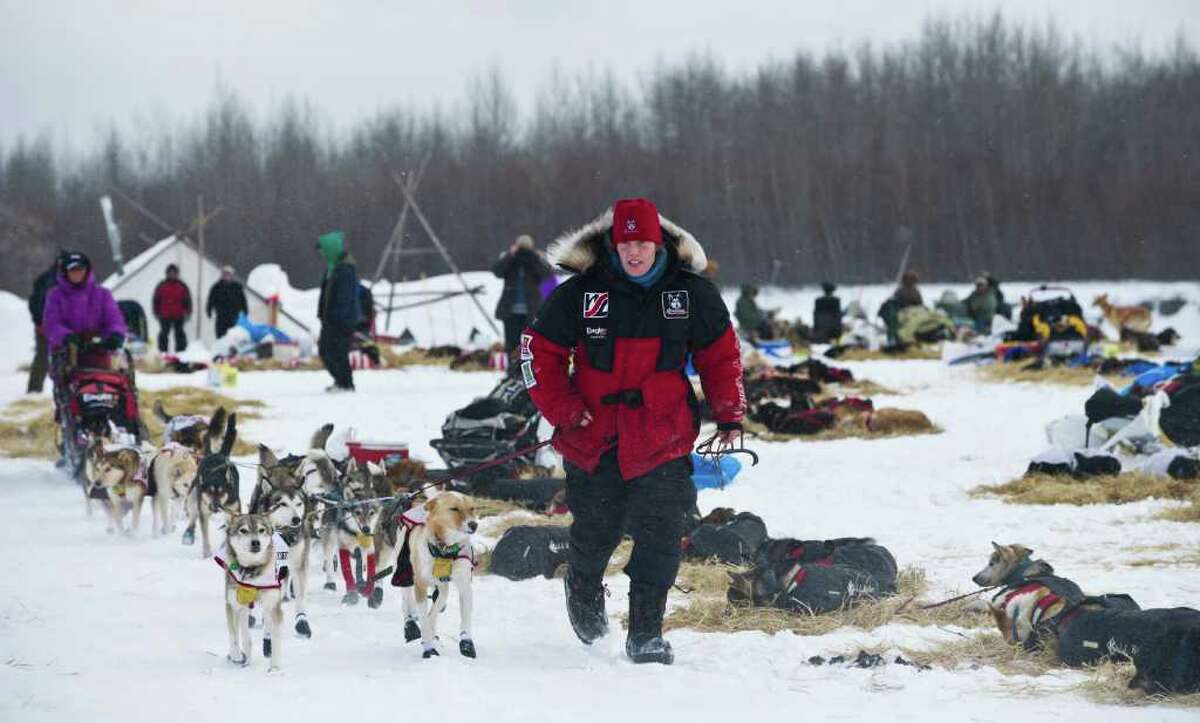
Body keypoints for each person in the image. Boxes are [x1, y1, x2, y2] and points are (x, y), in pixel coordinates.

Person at [523, 197, 746, 665]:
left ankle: (646, 632)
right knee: (597, 532)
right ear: (613, 243)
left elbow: (720, 356)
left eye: (643, 242)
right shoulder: (581, 294)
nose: (635, 252)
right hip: (594, 436)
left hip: (662, 437)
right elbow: (538, 354)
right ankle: (582, 584)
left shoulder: (692, 294)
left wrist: (729, 413)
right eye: (626, 243)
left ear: (659, 241)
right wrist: (564, 409)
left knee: (662, 535)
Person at [41, 251, 127, 422]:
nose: (77, 274)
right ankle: (71, 425)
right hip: (68, 352)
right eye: (72, 270)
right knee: (70, 391)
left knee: (111, 385)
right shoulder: (56, 295)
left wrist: (115, 335)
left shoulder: (102, 294)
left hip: (98, 350)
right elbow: (51, 323)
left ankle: (119, 422)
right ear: (65, 272)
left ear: (87, 271)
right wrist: (66, 337)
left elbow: (114, 319)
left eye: (80, 269)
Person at [316, 231, 362, 392]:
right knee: (326, 351)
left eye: (323, 250)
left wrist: (338, 318)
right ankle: (340, 381)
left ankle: (346, 384)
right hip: (330, 319)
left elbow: (345, 297)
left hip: (341, 320)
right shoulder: (332, 268)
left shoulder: (345, 269)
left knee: (337, 352)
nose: (321, 254)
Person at [492, 234, 552, 355]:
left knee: (529, 345)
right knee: (511, 344)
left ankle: (525, 372)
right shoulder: (511, 262)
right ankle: (513, 372)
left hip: (531, 311)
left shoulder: (534, 262)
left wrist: (535, 257)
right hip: (510, 311)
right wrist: (510, 255)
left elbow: (546, 274)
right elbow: (497, 271)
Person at [26, 261, 57, 393]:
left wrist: (38, 322)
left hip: (43, 324)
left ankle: (34, 388)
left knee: (41, 357)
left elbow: (33, 302)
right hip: (48, 324)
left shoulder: (43, 279)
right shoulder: (56, 281)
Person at [152, 264, 191, 353]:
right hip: (165, 314)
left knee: (179, 333)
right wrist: (156, 311)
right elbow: (156, 299)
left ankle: (181, 352)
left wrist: (188, 312)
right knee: (164, 333)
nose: (172, 275)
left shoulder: (182, 285)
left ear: (177, 274)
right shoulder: (161, 285)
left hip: (179, 314)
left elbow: (187, 300)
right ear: (167, 274)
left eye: (174, 273)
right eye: (170, 273)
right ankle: (163, 351)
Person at [206, 265, 248, 339]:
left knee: (233, 336)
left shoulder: (237, 287)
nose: (226, 276)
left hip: (234, 315)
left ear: (232, 275)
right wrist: (209, 310)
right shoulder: (216, 287)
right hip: (221, 316)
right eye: (224, 274)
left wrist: (245, 311)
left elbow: (243, 300)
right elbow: (211, 300)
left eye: (228, 274)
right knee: (220, 335)